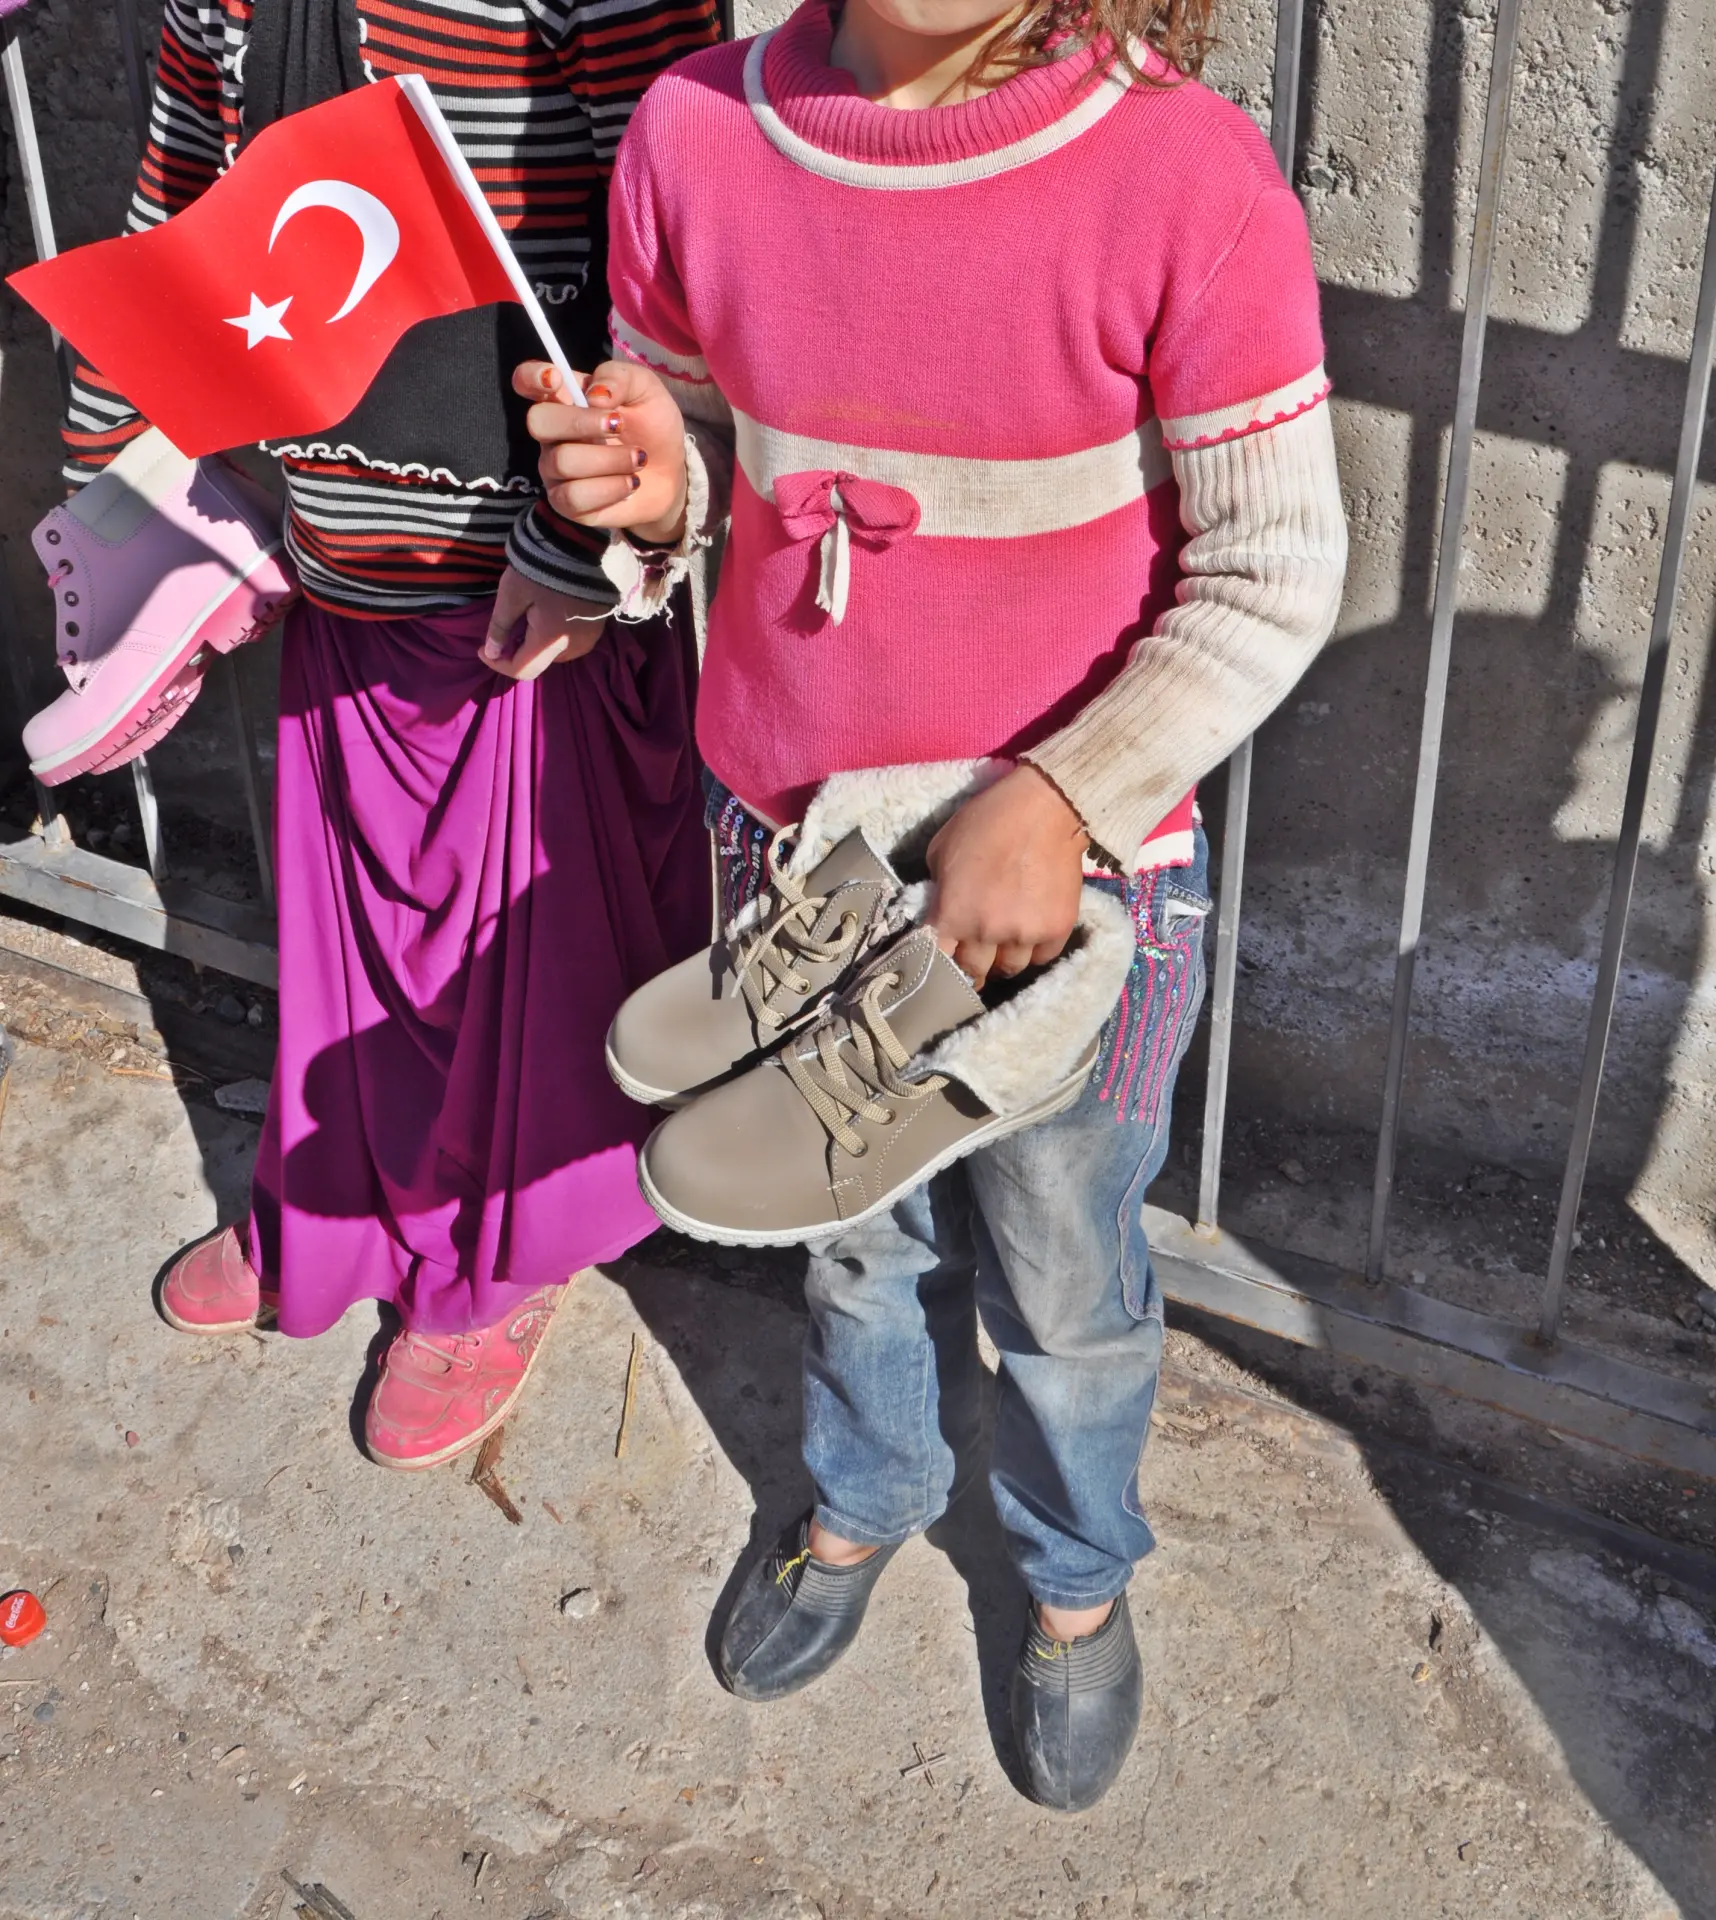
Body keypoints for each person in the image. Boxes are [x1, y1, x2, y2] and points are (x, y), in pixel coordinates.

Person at [523, 0, 1348, 1808]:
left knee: (1065, 1270)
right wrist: (650, 498)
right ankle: (867, 1493)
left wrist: (1062, 797)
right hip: (788, 856)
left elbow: (1278, 565)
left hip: (1078, 893)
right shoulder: (693, 134)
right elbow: (698, 458)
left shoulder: (1182, 177)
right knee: (849, 1231)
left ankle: (1074, 1577)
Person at [66, 0, 718, 1469]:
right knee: (364, 948)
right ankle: (344, 1208)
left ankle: (502, 1262)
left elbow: (673, 255)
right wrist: (115, 492)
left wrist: (575, 552)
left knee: (513, 969)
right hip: (340, 569)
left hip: (532, 602)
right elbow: (179, 208)